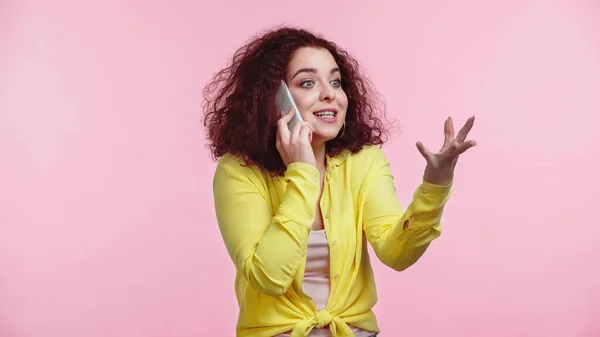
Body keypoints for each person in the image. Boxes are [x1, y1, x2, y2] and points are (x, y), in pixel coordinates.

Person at [203, 26, 476, 337]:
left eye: (335, 82)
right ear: (274, 100)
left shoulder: (364, 161)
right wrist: (303, 173)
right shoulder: (238, 170)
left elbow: (396, 254)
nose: (330, 93)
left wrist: (435, 187)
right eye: (308, 83)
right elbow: (269, 278)